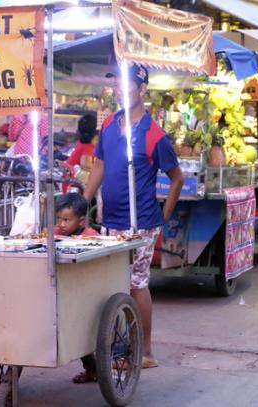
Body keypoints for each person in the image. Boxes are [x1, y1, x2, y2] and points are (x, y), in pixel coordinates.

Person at [84, 64, 183, 368]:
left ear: (142, 90)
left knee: (136, 283)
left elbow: (176, 178)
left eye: (127, 85)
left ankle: (145, 352)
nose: (120, 90)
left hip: (141, 224)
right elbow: (98, 166)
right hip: (110, 220)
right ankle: (115, 349)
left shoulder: (155, 135)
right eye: (117, 85)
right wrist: (81, 202)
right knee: (112, 286)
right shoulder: (111, 125)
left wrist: (162, 217)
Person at [52, 193, 100, 383]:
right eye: (59, 219)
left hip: (84, 290)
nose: (61, 224)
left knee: (80, 327)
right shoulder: (54, 234)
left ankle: (92, 368)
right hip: (61, 288)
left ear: (80, 221)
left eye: (66, 220)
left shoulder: (92, 237)